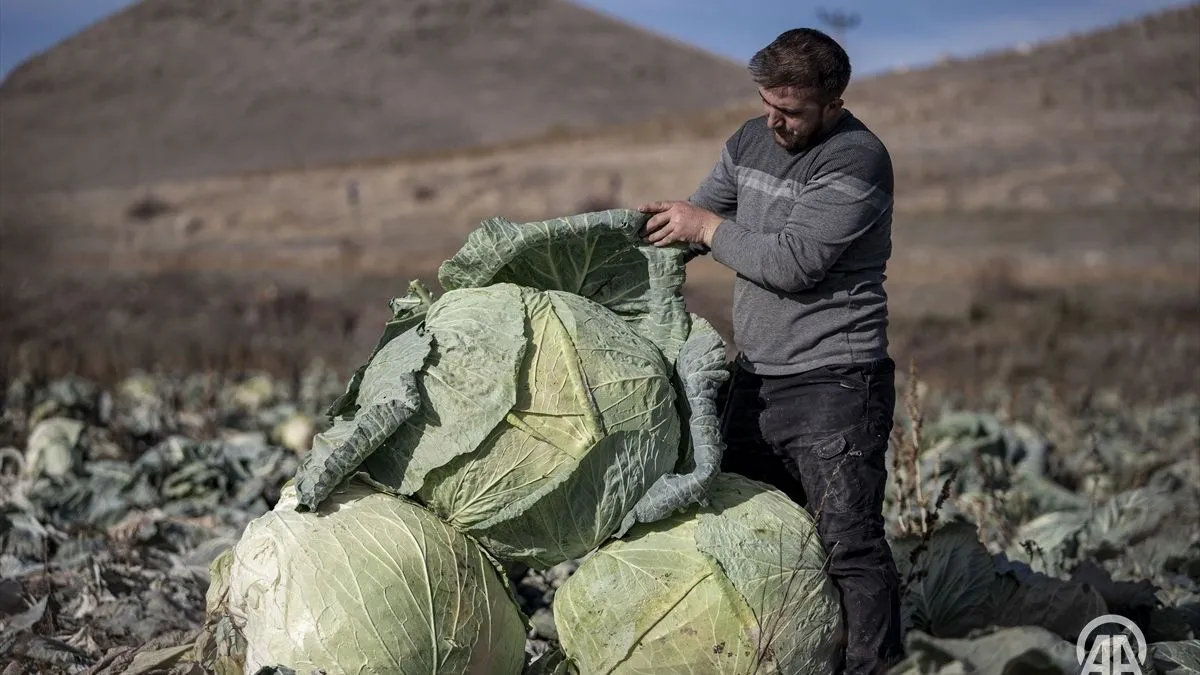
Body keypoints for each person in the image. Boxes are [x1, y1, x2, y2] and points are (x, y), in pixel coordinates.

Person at [638, 27, 902, 674]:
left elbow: (792, 262)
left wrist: (707, 227)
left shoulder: (858, 159)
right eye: (767, 104)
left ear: (833, 103)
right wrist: (624, 245)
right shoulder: (750, 141)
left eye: (792, 111)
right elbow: (696, 218)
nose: (775, 122)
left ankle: (875, 666)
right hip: (756, 379)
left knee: (849, 546)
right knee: (742, 530)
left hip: (836, 384)